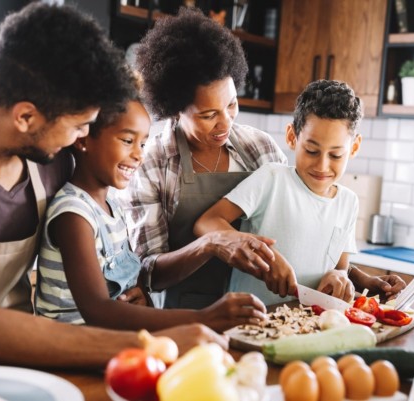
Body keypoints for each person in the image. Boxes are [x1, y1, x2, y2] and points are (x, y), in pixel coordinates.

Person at [0, 3, 224, 380]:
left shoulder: (53, 158)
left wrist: (128, 291)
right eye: (80, 126)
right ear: (25, 117)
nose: (83, 138)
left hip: (16, 371)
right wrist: (150, 343)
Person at [35, 87, 266, 332]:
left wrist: (140, 294)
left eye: (143, 143)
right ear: (82, 139)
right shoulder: (74, 214)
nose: (139, 155)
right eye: (127, 141)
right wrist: (204, 318)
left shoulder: (112, 206)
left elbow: (126, 283)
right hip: (72, 345)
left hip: (107, 338)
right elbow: (98, 310)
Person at [120, 7, 289, 310]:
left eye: (232, 105)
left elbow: (297, 222)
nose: (225, 123)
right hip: (184, 316)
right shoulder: (152, 163)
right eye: (209, 115)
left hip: (262, 310)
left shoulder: (259, 148)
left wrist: (349, 273)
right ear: (175, 109)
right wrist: (210, 244)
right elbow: (148, 272)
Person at [195, 80, 407, 305]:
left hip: (308, 327)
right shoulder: (272, 179)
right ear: (292, 137)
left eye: (335, 155)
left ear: (354, 148)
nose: (322, 166)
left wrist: (339, 277)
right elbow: (207, 222)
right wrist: (262, 253)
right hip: (250, 321)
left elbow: (340, 267)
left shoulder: (348, 202)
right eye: (312, 150)